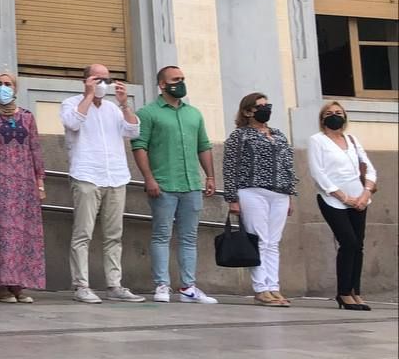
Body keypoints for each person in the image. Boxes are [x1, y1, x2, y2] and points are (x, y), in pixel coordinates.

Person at [132, 65, 218, 304]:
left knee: (189, 237)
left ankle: (188, 286)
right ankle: (162, 285)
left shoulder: (194, 114)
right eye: (175, 79)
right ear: (162, 84)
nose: (180, 82)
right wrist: (149, 178)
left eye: (182, 78)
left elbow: (204, 146)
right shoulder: (148, 113)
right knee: (162, 235)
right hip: (163, 184)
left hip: (191, 183)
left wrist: (210, 176)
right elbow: (140, 147)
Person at [60, 64, 144, 304]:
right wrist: (88, 96)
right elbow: (73, 123)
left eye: (106, 79)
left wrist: (124, 104)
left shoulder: (113, 109)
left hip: (116, 176)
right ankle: (81, 285)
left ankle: (115, 285)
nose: (103, 84)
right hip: (87, 175)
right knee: (82, 233)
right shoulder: (71, 103)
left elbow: (133, 131)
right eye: (98, 79)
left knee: (114, 235)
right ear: (86, 80)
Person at [0, 72, 45, 303]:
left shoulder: (27, 117)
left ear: (15, 88)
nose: (3, 88)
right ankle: (1, 285)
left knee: (23, 233)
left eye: (8, 84)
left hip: (24, 184)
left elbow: (35, 149)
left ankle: (18, 284)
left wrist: (39, 181)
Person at [222, 92, 297, 308]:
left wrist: (289, 194)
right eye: (259, 106)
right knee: (260, 240)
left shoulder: (279, 134)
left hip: (280, 192)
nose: (265, 109)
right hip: (252, 191)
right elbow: (230, 167)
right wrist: (232, 198)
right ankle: (260, 289)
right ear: (247, 111)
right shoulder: (240, 135)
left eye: (267, 105)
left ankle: (274, 286)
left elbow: (287, 166)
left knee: (274, 242)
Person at [308, 102, 378, 312]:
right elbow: (318, 173)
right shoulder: (317, 141)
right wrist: (343, 196)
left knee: (358, 245)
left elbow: (370, 168)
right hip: (333, 200)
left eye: (338, 113)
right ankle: (344, 293)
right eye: (329, 113)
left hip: (359, 200)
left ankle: (356, 291)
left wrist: (365, 193)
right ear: (322, 119)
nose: (334, 116)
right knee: (348, 242)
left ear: (345, 117)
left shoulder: (352, 140)